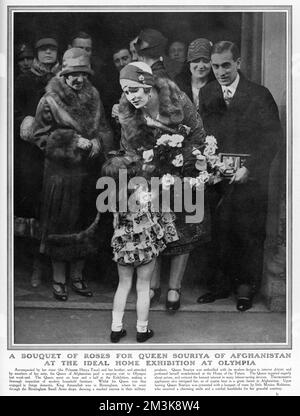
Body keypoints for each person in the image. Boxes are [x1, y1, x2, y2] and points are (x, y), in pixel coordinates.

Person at [21, 48, 113, 301]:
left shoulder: (94, 96)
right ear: (63, 73)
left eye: (83, 73)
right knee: (61, 228)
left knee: (85, 226)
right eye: (73, 74)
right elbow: (39, 137)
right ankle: (59, 280)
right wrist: (72, 141)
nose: (78, 79)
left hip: (87, 174)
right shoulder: (49, 100)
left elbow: (104, 128)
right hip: (60, 177)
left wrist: (97, 143)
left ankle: (77, 278)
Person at [118, 62, 210, 312]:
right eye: (126, 91)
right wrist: (141, 169)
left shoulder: (177, 99)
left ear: (148, 84)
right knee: (152, 226)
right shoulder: (128, 111)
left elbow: (199, 136)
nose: (131, 96)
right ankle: (153, 283)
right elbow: (128, 148)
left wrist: (181, 160)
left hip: (183, 169)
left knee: (183, 228)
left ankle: (174, 287)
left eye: (135, 89)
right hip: (150, 174)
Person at [197, 41, 282, 311]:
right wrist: (208, 166)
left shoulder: (259, 94)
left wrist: (251, 168)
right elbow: (203, 135)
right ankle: (219, 286)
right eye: (215, 66)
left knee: (248, 232)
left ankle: (245, 289)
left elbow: (272, 139)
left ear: (239, 63)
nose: (220, 71)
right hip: (218, 178)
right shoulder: (208, 92)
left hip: (249, 180)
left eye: (226, 65)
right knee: (219, 231)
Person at [14, 35, 61, 288]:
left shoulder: (64, 79)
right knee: (34, 209)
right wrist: (23, 119)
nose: (47, 54)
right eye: (43, 50)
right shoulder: (23, 81)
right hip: (31, 153)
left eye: (51, 49)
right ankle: (34, 267)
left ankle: (53, 270)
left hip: (58, 152)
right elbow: (11, 109)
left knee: (55, 210)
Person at [175, 38, 215, 110]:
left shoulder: (218, 86)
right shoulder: (177, 84)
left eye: (206, 61)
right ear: (189, 62)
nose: (200, 66)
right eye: (196, 61)